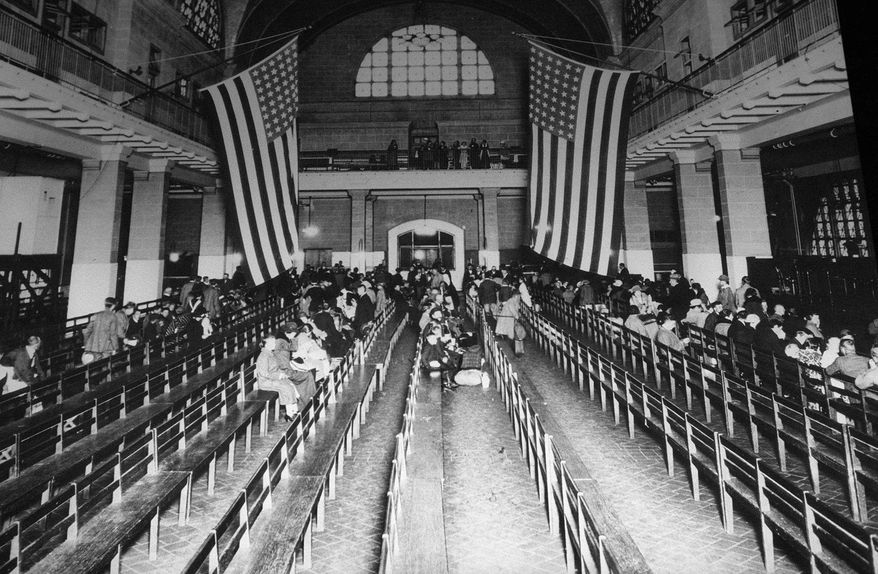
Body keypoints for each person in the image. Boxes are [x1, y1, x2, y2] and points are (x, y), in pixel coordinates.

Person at [256, 335, 300, 421]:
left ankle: (294, 410)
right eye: (272, 343)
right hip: (265, 382)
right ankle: (289, 414)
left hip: (272, 379)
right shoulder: (263, 356)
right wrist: (278, 376)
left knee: (289, 383)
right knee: (285, 387)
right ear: (266, 344)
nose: (275, 344)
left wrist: (282, 374)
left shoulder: (270, 353)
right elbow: (264, 373)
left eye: (274, 342)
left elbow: (275, 368)